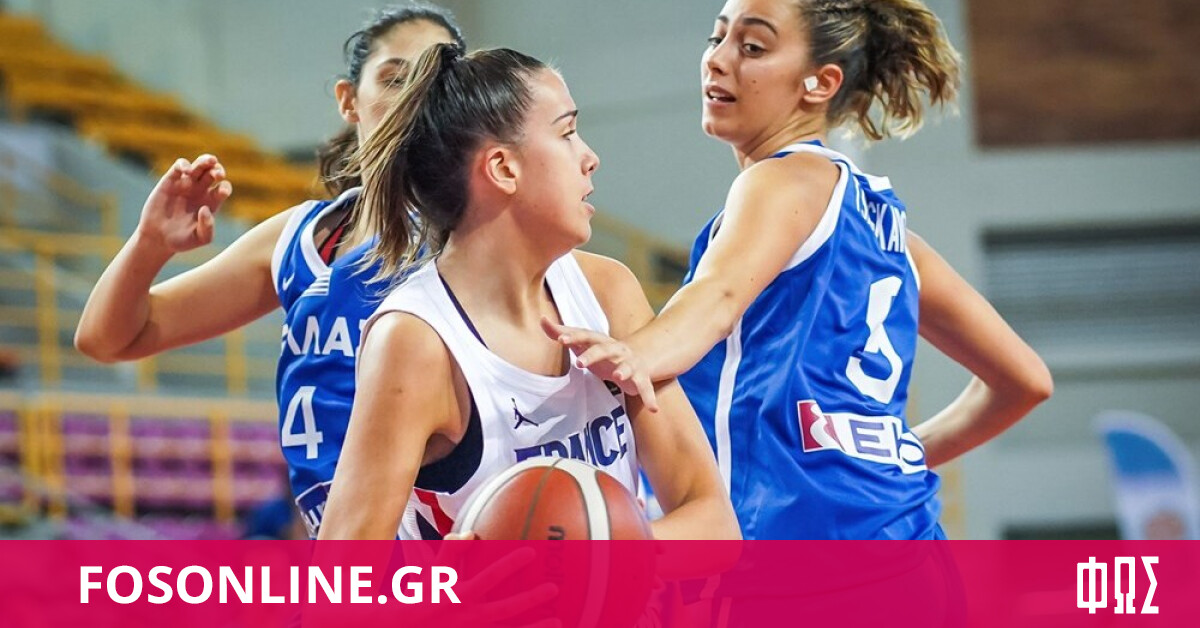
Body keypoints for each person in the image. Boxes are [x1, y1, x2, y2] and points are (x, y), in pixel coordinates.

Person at [544, 0, 1053, 540]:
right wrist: (893, 461)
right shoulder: (896, 237)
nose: (717, 59)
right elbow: (1026, 381)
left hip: (807, 556)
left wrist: (635, 354)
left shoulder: (782, 179)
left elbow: (716, 300)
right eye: (717, 38)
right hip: (910, 540)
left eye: (752, 46)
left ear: (820, 83)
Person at [316, 43, 739, 542]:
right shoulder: (416, 342)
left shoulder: (607, 291)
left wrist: (597, 556)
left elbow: (715, 527)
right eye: (567, 133)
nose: (590, 158)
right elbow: (340, 578)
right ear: (503, 168)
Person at [73, 3, 466, 538]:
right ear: (349, 100)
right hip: (341, 553)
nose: (414, 97)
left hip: (448, 542)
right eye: (395, 78)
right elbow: (108, 338)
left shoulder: (471, 232)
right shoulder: (297, 237)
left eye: (435, 83)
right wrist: (149, 245)